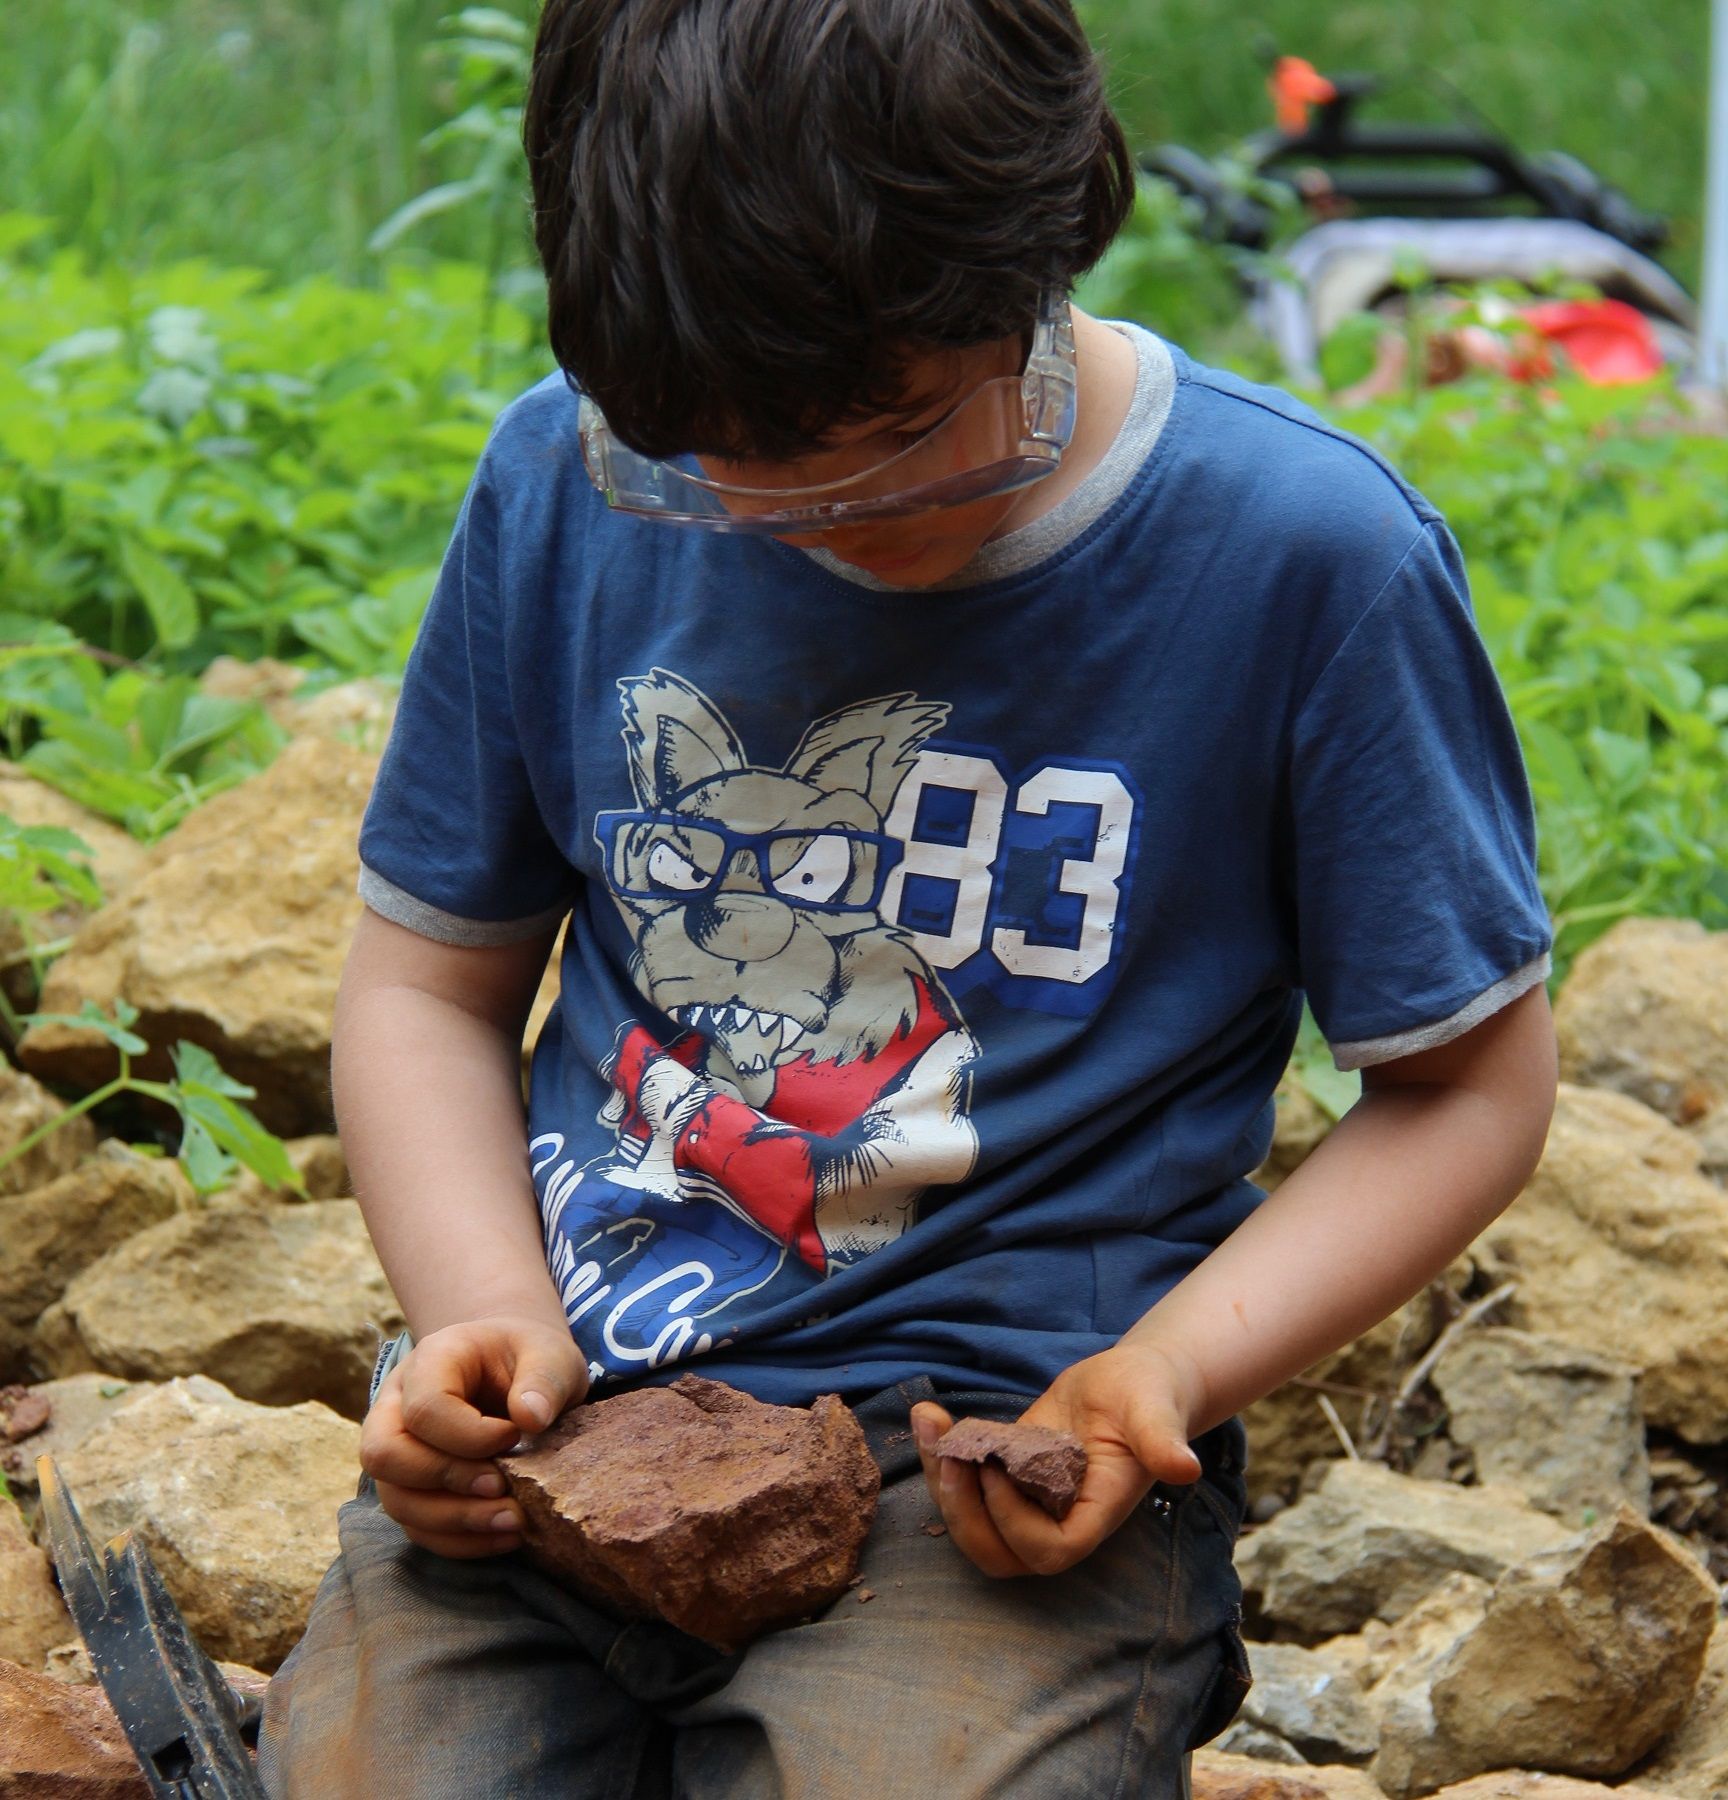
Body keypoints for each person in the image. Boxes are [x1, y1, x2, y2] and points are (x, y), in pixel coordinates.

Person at [259, 1, 1559, 1794]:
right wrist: (482, 1317)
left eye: (886, 435)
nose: (796, 514)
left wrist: (1162, 1378)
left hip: (991, 1454)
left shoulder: (1303, 563)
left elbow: (1467, 1086)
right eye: (706, 460)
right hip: (578, 1410)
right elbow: (426, 987)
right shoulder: (568, 481)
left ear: (1041, 247)